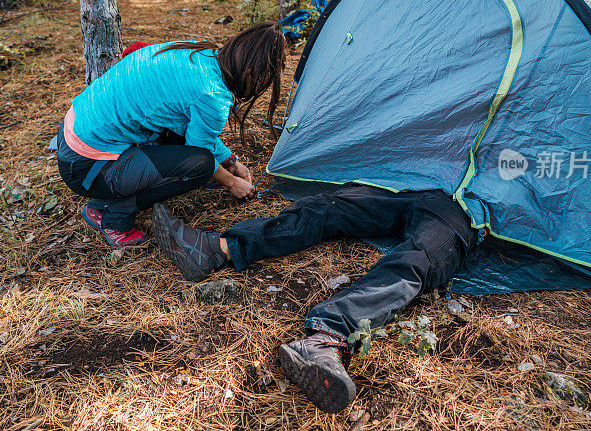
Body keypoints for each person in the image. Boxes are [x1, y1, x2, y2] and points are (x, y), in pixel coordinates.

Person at [150, 184, 478, 413]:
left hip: (465, 207)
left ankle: (328, 338)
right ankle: (213, 250)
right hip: (416, 181)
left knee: (420, 258)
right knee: (329, 206)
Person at [57, 22, 285, 247]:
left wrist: (230, 160)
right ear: (253, 73)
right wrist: (232, 182)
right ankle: (109, 215)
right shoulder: (213, 95)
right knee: (201, 165)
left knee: (192, 150)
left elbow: (196, 129)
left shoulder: (199, 52)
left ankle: (116, 196)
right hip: (86, 166)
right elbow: (198, 151)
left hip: (73, 131)